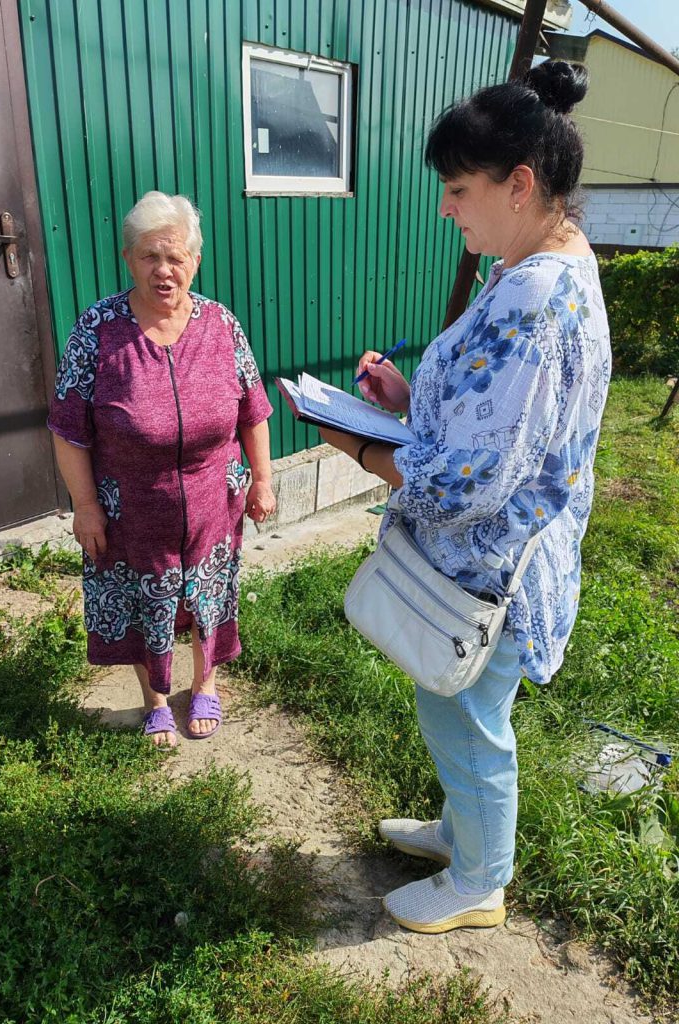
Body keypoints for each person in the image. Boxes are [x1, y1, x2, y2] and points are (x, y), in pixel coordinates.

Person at [319, 61, 611, 934]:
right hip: (505, 558)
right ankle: (461, 832)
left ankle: (481, 880)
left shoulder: (535, 297)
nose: (447, 208)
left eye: (458, 189)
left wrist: (358, 443)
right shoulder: (542, 263)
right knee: (466, 711)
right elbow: (509, 425)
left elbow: (468, 483)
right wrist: (414, 401)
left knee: (466, 720)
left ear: (519, 185)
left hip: (490, 571)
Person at [48, 191, 276, 747]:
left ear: (195, 260)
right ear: (128, 259)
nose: (164, 270)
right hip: (130, 508)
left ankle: (204, 686)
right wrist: (85, 506)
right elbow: (67, 429)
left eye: (175, 257)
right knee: (140, 601)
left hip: (213, 501)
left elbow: (253, 409)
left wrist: (263, 480)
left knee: (209, 596)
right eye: (150, 256)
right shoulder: (97, 330)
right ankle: (154, 699)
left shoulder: (222, 324)